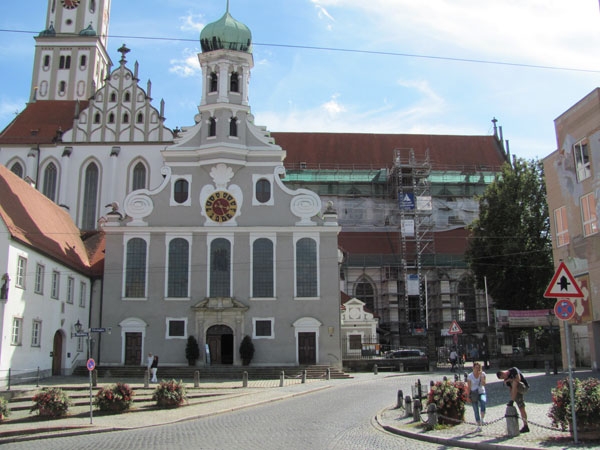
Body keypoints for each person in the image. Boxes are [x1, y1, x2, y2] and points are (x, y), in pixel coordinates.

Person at [496, 367, 529, 433]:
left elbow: (518, 379)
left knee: (514, 382)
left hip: (523, 387)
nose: (504, 378)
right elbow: (511, 389)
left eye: (503, 377)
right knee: (521, 407)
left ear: (503, 373)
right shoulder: (506, 379)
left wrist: (510, 380)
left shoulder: (513, 370)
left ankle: (512, 400)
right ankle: (526, 426)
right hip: (516, 391)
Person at [467, 361, 487, 431]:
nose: (477, 369)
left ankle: (482, 419)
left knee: (483, 402)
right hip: (473, 393)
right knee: (475, 410)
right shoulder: (470, 376)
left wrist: (481, 377)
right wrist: (468, 396)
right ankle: (478, 425)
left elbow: (484, 384)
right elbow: (469, 387)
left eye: (478, 368)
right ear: (473, 368)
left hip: (481, 392)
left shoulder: (483, 374)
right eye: (476, 368)